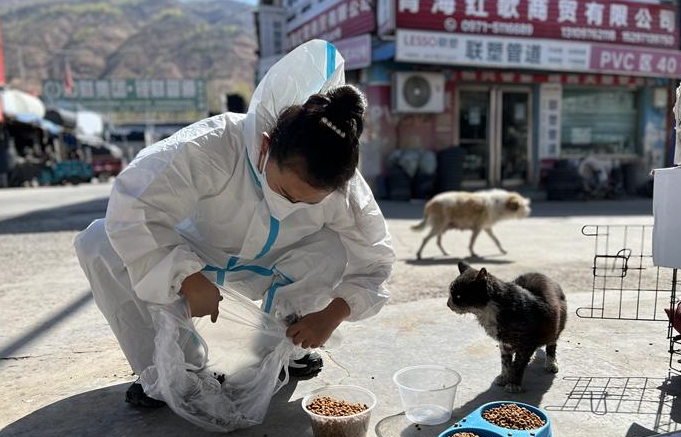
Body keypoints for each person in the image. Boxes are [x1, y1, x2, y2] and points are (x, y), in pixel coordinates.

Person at [74, 40, 395, 408]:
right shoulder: (211, 146)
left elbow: (376, 260)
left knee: (335, 246)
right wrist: (187, 276)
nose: (289, 208)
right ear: (264, 145)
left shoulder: (345, 187)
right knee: (99, 242)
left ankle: (285, 352)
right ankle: (169, 372)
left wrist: (333, 314)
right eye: (287, 193)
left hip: (277, 265)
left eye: (309, 202)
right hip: (202, 256)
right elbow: (133, 205)